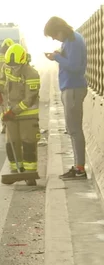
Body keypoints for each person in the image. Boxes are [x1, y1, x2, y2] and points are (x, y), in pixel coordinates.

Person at [44, 16, 89, 180]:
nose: (55, 39)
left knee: (75, 129)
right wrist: (60, 54)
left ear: (60, 29)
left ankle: (80, 168)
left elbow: (75, 67)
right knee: (71, 129)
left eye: (54, 35)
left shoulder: (74, 40)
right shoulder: (69, 41)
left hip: (74, 88)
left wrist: (57, 57)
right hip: (69, 87)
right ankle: (78, 166)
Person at [0, 44, 41, 183]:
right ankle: (16, 170)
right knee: (11, 143)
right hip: (11, 113)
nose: (13, 68)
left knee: (28, 143)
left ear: (22, 61)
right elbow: (2, 79)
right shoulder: (8, 67)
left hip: (28, 115)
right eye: (11, 65)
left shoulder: (32, 74)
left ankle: (30, 174)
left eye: (15, 65)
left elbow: (29, 99)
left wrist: (13, 112)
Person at [0, 38, 14, 134]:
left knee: (2, 107)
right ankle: (9, 124)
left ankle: (4, 124)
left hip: (0, 85)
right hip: (10, 86)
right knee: (10, 105)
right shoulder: (13, 57)